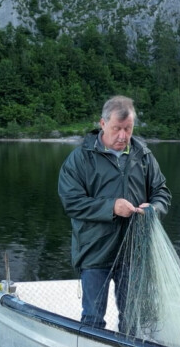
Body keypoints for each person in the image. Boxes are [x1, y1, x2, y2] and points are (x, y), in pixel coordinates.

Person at [58, 95, 171, 330]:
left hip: (133, 252)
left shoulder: (144, 156)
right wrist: (112, 207)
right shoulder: (80, 159)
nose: (122, 135)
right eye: (116, 128)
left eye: (128, 129)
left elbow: (161, 192)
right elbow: (72, 202)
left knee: (133, 320)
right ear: (102, 124)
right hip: (94, 252)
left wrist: (155, 207)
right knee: (93, 319)